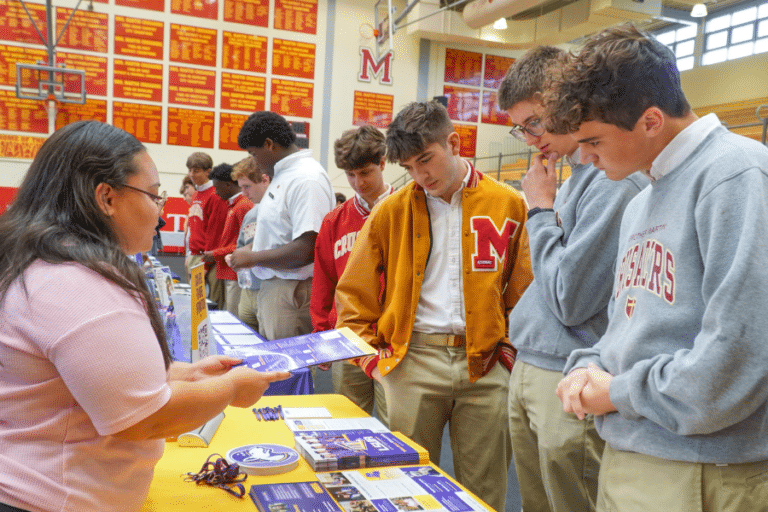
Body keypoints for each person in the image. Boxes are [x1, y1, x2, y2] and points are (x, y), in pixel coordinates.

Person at [0, 120, 289, 512]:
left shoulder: (47, 266)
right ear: (106, 197)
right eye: (153, 195)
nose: (159, 210)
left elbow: (87, 378)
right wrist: (232, 389)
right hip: (54, 497)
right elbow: (145, 419)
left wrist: (183, 375)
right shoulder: (76, 284)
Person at [546, 25, 768, 511]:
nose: (584, 157)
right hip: (631, 452)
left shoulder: (737, 174)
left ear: (650, 121)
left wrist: (618, 391)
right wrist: (590, 366)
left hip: (701, 468)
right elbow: (626, 327)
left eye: (594, 141)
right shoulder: (641, 200)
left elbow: (738, 356)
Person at [335, 101, 532, 511]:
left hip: (487, 362)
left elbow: (526, 291)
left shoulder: (509, 204)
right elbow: (353, 297)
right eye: (408, 167)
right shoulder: (390, 210)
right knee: (405, 487)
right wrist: (376, 363)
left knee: (485, 489)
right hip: (413, 360)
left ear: (454, 143)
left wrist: (510, 354)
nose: (421, 175)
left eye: (426, 159)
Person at [497, 46, 646, 512]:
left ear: (565, 102)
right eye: (521, 128)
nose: (530, 138)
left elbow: (570, 298)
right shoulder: (577, 178)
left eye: (535, 122)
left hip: (570, 368)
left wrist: (540, 210)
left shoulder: (613, 181)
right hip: (533, 359)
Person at [227, 111, 334, 341]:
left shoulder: (306, 179)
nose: (254, 161)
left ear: (269, 145)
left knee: (287, 373)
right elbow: (279, 235)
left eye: (254, 154)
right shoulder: (284, 176)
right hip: (276, 287)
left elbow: (306, 249)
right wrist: (252, 249)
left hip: (292, 290)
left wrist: (254, 258)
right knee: (274, 371)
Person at [311, 125, 392, 423]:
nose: (358, 182)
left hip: (392, 339)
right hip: (346, 337)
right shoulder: (335, 220)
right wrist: (321, 331)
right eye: (350, 175)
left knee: (393, 426)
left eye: (366, 173)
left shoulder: (406, 211)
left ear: (383, 163)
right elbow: (324, 280)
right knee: (346, 421)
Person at [202, 163, 253, 316]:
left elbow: (246, 245)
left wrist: (216, 253)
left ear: (228, 185)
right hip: (228, 271)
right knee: (226, 313)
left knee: (232, 316)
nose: (216, 193)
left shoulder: (243, 206)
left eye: (217, 188)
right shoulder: (233, 206)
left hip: (235, 273)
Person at [231, 156, 271, 333]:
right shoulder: (250, 214)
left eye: (247, 186)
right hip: (248, 289)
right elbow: (240, 247)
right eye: (241, 187)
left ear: (264, 180)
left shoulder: (279, 214)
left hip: (270, 289)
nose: (244, 193)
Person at [185, 152, 227, 306]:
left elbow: (215, 233)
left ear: (208, 171)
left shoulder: (215, 195)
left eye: (196, 170)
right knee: (195, 305)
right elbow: (195, 228)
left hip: (210, 258)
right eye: (190, 170)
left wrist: (206, 262)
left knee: (212, 305)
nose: (191, 174)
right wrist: (190, 254)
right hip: (196, 256)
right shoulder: (196, 194)